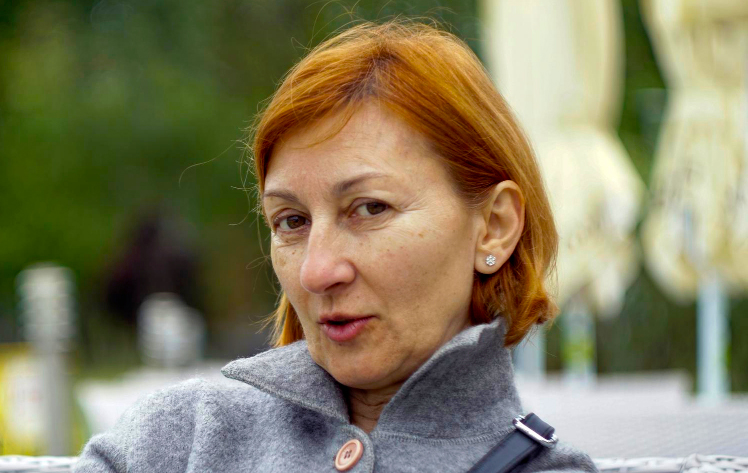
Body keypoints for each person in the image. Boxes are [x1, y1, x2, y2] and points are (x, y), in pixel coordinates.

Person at [74, 20, 597, 473]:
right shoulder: (178, 438)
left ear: (495, 226)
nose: (316, 271)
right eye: (292, 221)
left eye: (369, 209)